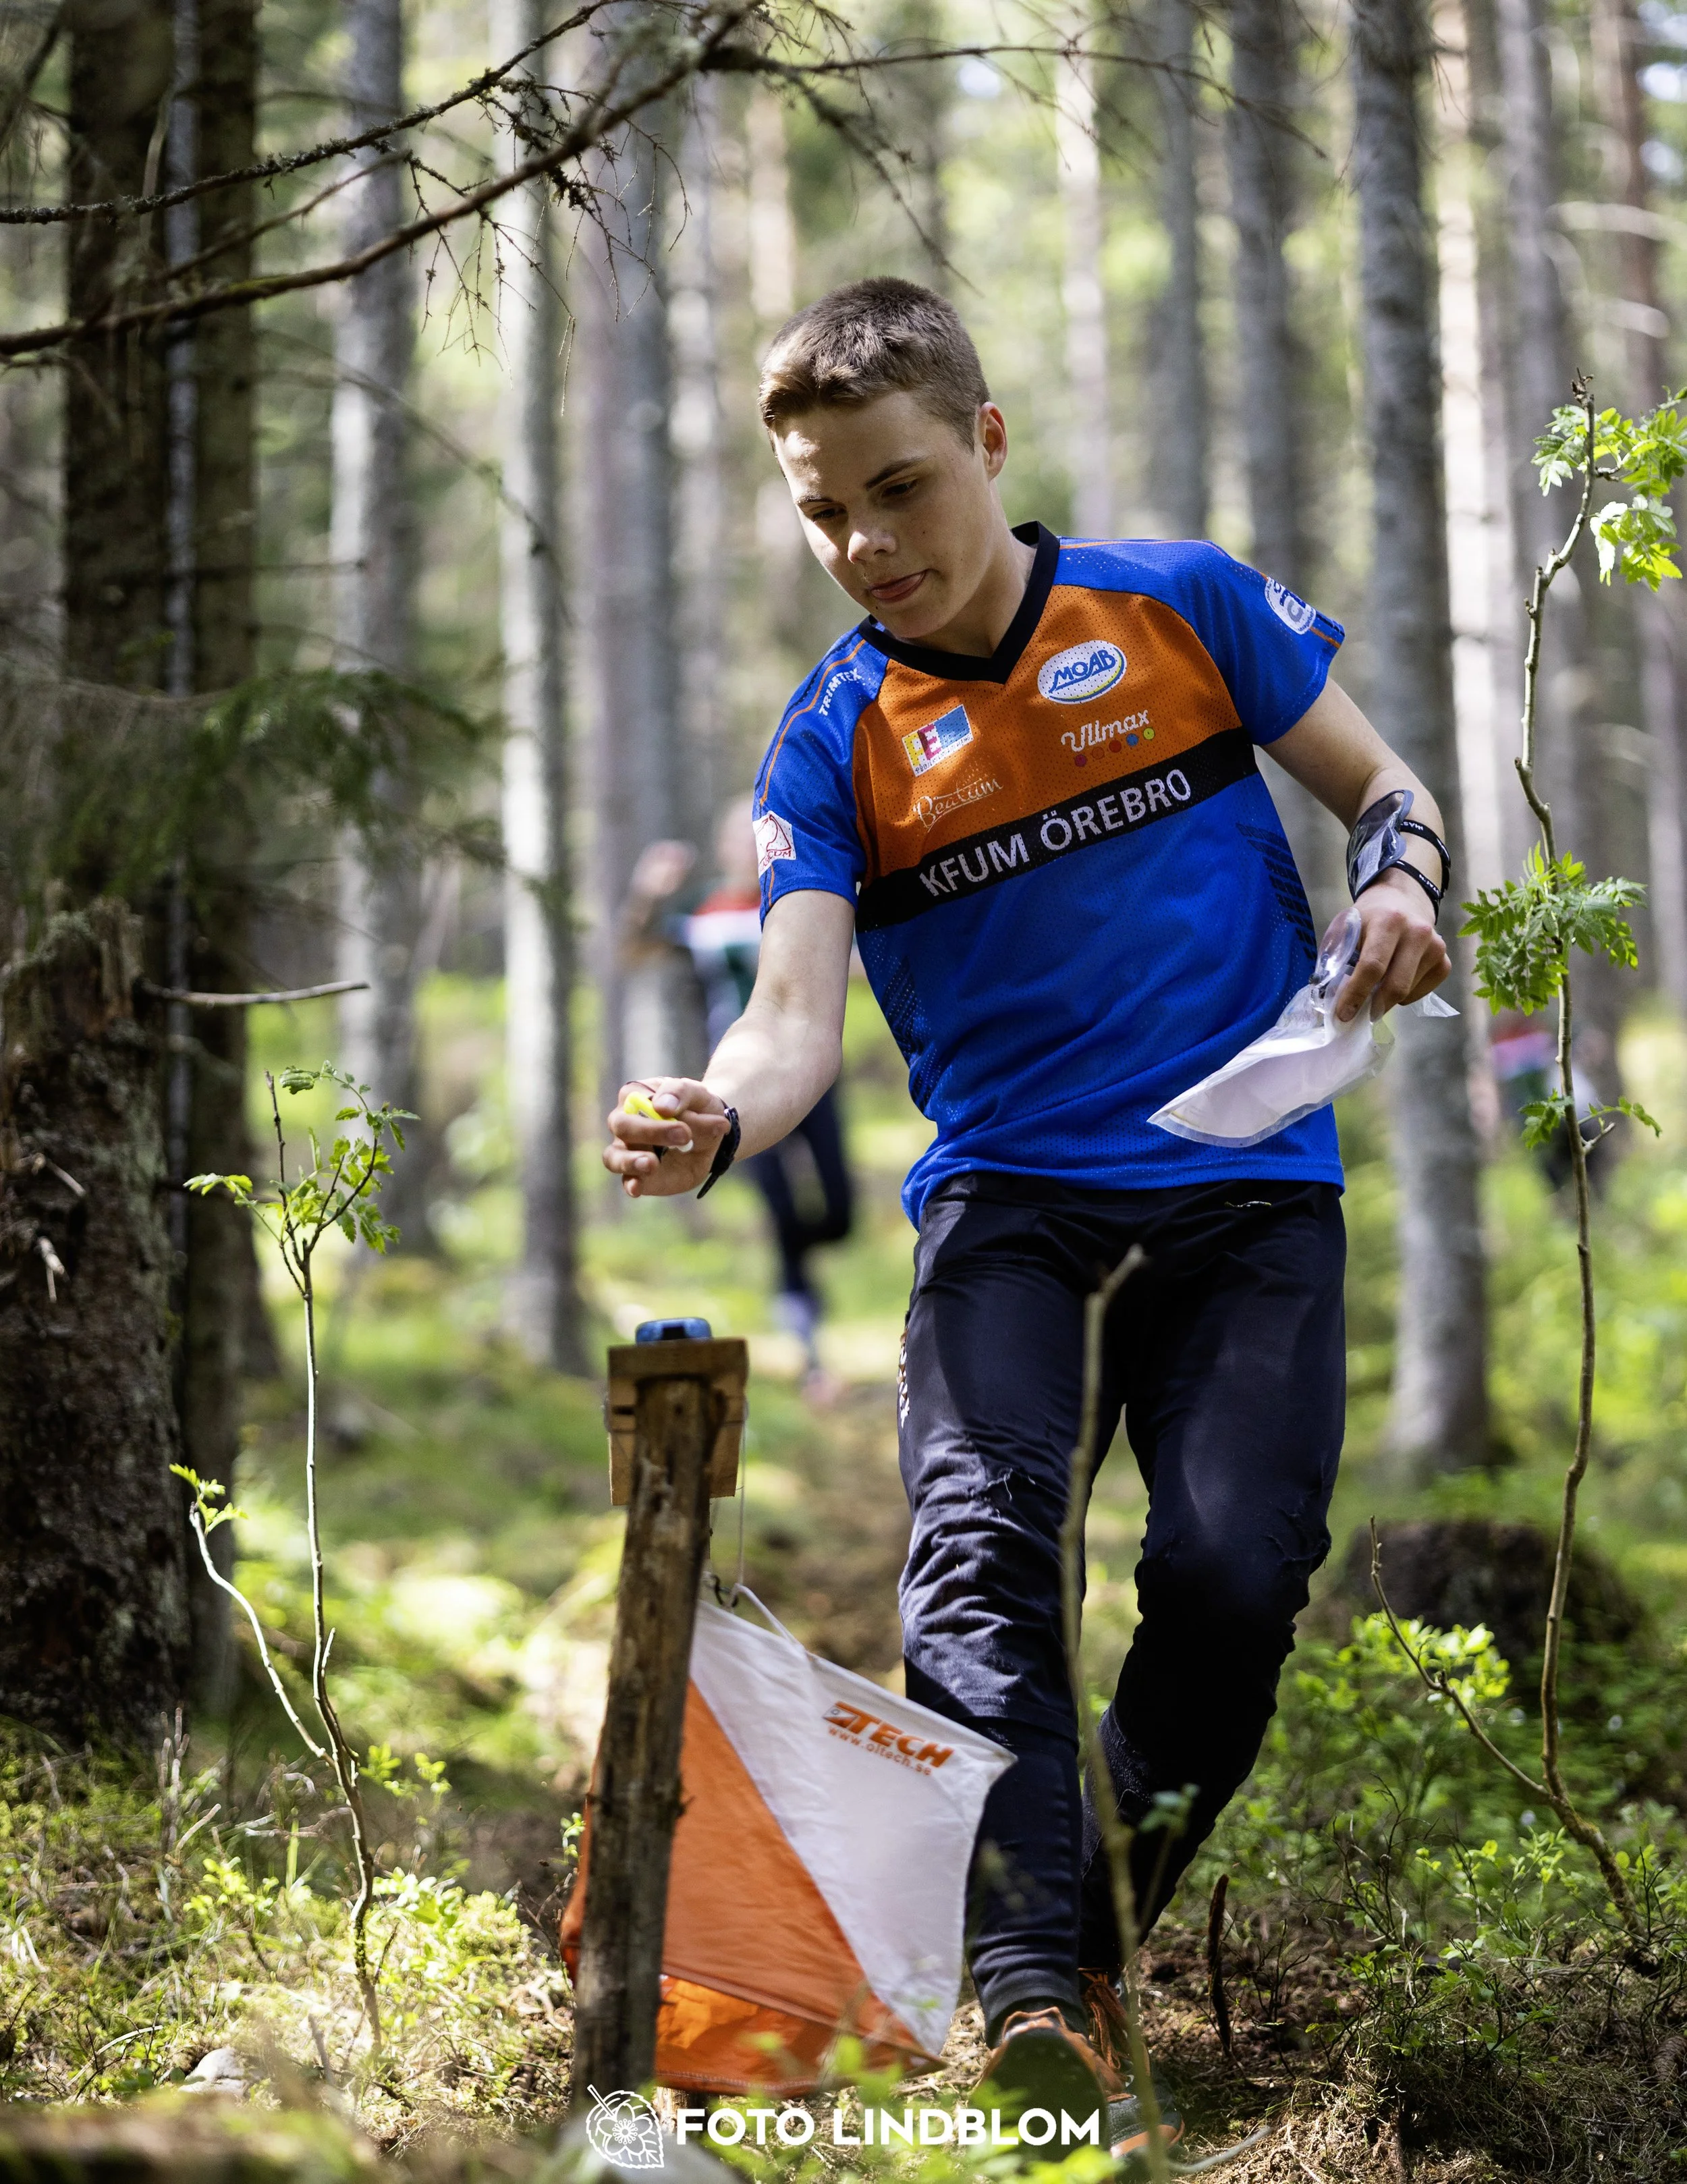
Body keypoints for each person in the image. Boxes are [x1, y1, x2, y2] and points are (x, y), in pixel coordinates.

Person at [602, 278, 1451, 2152]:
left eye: (895, 490)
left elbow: (1389, 793)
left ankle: (1073, 1934)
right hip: (1008, 1211)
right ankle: (1019, 2000)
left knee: (1231, 1582)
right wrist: (714, 1120)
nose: (863, 546)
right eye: (822, 511)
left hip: (1246, 1198)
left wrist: (1398, 882)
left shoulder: (1185, 608)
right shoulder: (831, 740)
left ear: (985, 445)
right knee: (980, 1567)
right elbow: (791, 1021)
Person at [621, 800, 855, 1392]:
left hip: (811, 1080)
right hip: (739, 1088)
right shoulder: (701, 913)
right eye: (736, 840)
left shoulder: (796, 908)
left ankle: (797, 1267)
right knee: (780, 1208)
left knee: (839, 1213)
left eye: (756, 839)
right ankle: (807, 1343)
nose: (746, 851)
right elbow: (635, 950)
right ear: (723, 849)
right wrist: (648, 893)